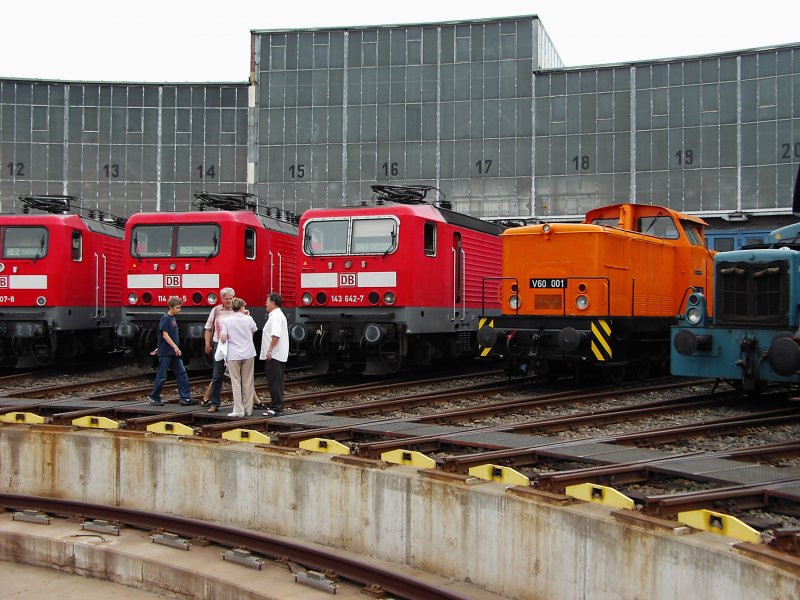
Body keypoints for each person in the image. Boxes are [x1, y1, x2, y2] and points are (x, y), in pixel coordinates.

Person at [148, 296, 196, 406]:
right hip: (166, 352)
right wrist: (175, 347)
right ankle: (154, 397)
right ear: (171, 307)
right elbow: (164, 335)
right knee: (162, 376)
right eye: (178, 308)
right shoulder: (166, 318)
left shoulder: (173, 318)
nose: (180, 310)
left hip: (173, 352)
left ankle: (185, 398)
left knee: (182, 373)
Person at [220, 298, 258, 417]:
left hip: (234, 354)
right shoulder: (249, 319)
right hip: (248, 353)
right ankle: (248, 409)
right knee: (248, 381)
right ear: (242, 307)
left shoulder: (227, 321)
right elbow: (254, 330)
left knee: (235, 381)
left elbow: (223, 337)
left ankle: (238, 410)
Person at [203, 287, 235, 413]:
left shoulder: (238, 310)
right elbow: (208, 328)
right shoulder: (216, 310)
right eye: (226, 299)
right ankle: (214, 403)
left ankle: (242, 403)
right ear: (222, 299)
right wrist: (207, 343)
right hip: (219, 345)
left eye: (231, 299)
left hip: (233, 344)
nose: (229, 301)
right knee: (217, 375)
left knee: (237, 376)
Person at [260, 292, 289, 417]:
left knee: (274, 381)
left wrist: (270, 350)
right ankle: (277, 405)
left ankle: (276, 407)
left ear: (273, 303)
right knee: (277, 380)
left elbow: (275, 335)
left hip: (275, 355)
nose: (265, 304)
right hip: (278, 354)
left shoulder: (275, 316)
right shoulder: (277, 315)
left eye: (267, 301)